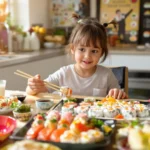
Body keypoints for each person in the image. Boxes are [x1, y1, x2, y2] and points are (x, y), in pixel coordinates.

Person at [26, 15, 128, 99]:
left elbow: (122, 99)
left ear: (101, 53)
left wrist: (119, 94)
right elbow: (38, 91)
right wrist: (33, 87)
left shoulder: (106, 75)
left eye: (94, 51)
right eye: (82, 49)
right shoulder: (63, 73)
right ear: (73, 49)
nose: (87, 56)